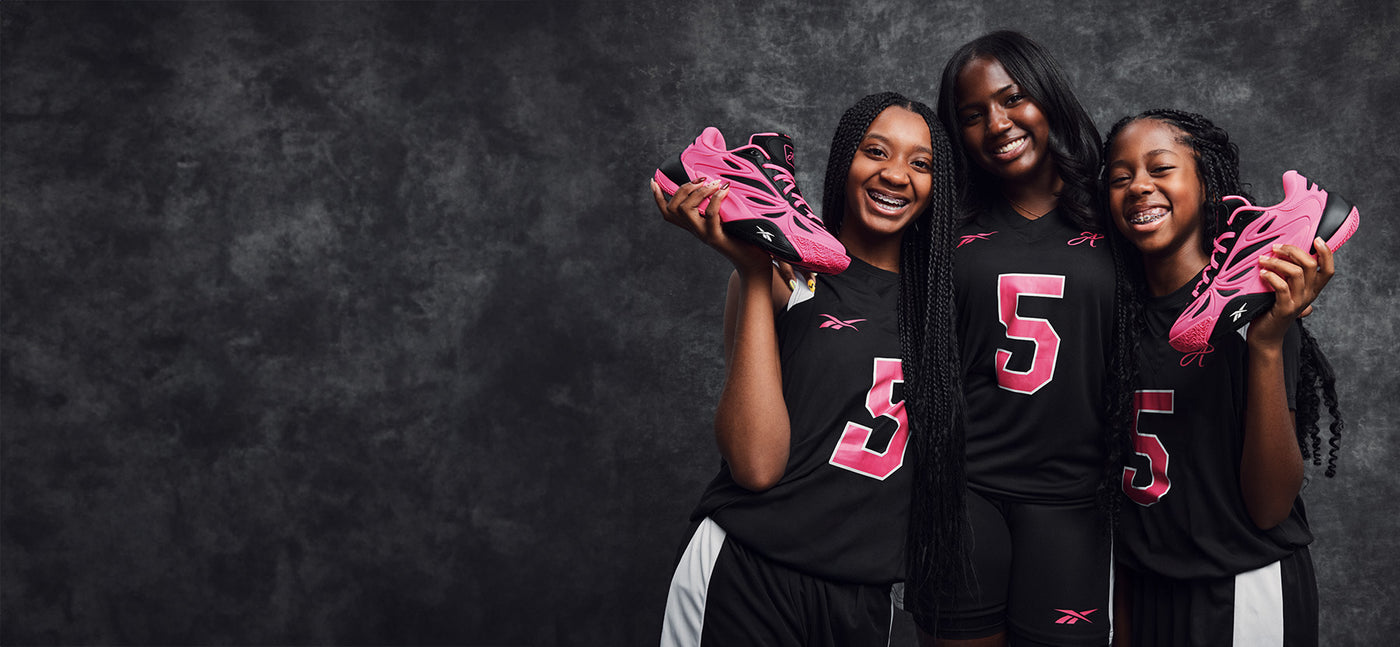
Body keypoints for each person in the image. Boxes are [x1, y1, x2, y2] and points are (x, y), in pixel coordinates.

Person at [650, 91, 966, 646]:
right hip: (749, 572)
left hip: (862, 595)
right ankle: (749, 181)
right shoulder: (786, 276)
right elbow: (754, 465)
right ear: (845, 160)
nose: (895, 175)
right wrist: (751, 270)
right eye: (876, 152)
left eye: (921, 164)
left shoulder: (946, 306)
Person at [908, 30, 1131, 646]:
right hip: (963, 491)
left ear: (1047, 96)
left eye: (1013, 99)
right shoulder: (943, 223)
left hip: (1074, 498)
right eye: (972, 115)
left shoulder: (1119, 208)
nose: (997, 123)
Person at [1102, 108, 1344, 646]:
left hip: (1239, 585)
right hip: (1145, 588)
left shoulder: (1259, 309)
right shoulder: (1113, 317)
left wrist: (1265, 345)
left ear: (1208, 185)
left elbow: (1270, 505)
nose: (1139, 186)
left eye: (1161, 169)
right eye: (1120, 178)